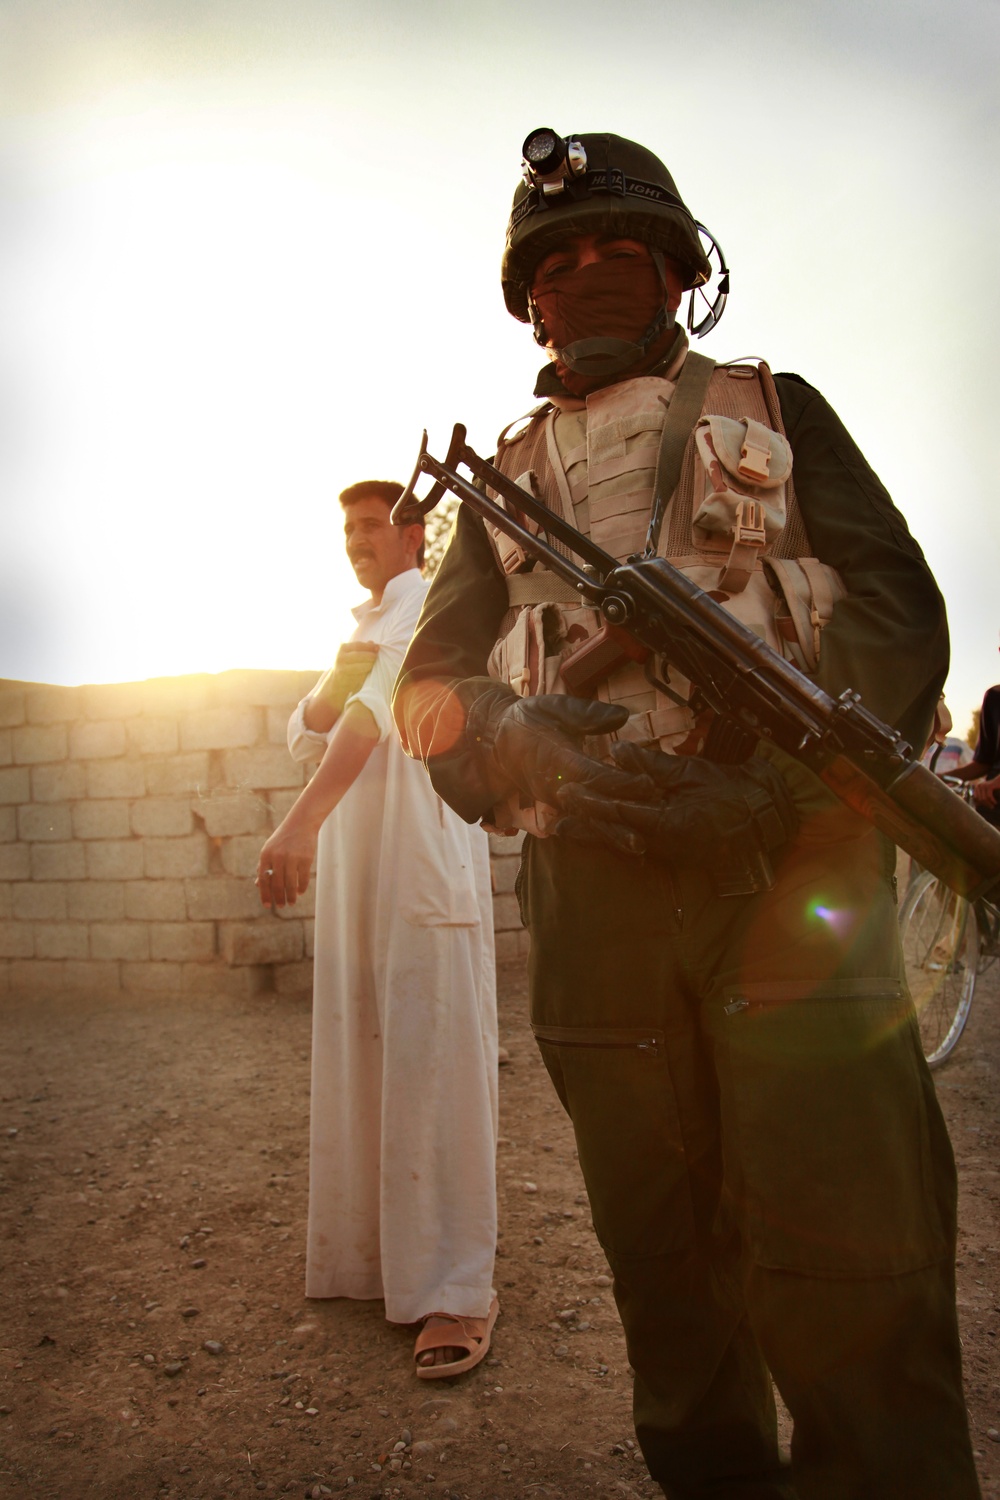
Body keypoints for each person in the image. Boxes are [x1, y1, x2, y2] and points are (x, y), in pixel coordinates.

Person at [392, 131, 980, 1494]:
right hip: (596, 891)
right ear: (528, 303)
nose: (589, 276)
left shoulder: (775, 408)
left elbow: (896, 615)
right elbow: (428, 686)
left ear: (679, 273)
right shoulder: (500, 485)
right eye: (558, 265)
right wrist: (520, 741)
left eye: (619, 252)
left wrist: (773, 782)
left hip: (792, 879)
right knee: (670, 1279)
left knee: (853, 1254)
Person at [256, 479, 499, 1379]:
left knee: (432, 1055)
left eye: (373, 527)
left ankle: (457, 1289)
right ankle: (376, 1264)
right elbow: (308, 720)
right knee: (365, 1045)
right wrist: (332, 694)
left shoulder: (429, 604)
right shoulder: (365, 622)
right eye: (348, 528)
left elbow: (363, 718)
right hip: (363, 864)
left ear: (414, 537)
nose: (358, 540)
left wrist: (299, 823)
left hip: (420, 853)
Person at [938, 654, 1000, 825]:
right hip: (992, 809)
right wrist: (939, 779)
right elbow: (983, 763)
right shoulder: (994, 698)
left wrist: (995, 782)